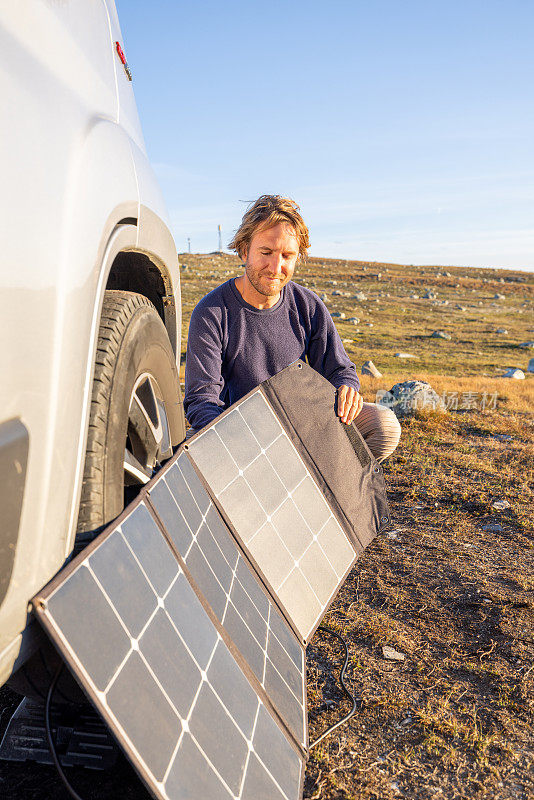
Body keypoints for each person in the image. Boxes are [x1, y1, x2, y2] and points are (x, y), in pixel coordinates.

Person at [184, 195, 401, 462]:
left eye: (287, 255)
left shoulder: (307, 305)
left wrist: (346, 387)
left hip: (302, 426)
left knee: (384, 427)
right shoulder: (211, 312)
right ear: (244, 250)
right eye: (266, 253)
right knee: (194, 450)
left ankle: (325, 493)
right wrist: (233, 441)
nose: (276, 268)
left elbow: (340, 369)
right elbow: (202, 401)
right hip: (239, 433)